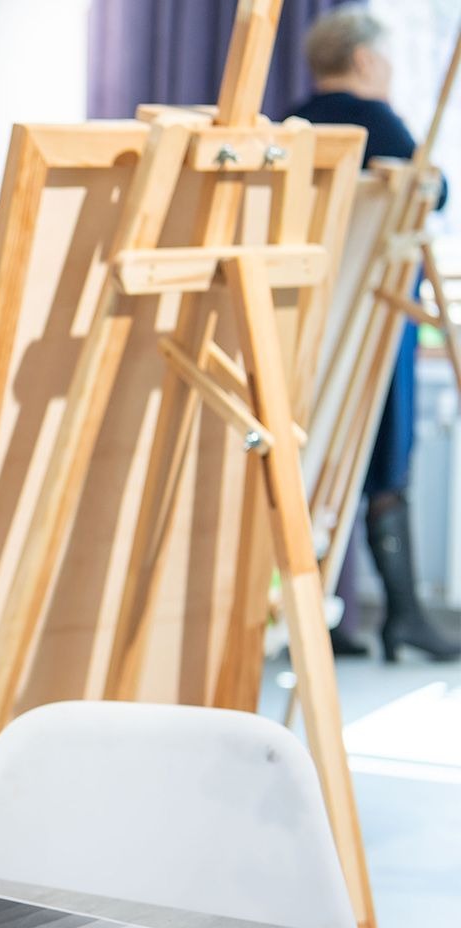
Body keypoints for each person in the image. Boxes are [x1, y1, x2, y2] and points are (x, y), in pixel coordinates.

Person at [289, 4, 458, 662]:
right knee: (384, 462)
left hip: (310, 328)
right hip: (376, 325)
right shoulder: (380, 123)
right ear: (364, 60)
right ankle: (404, 616)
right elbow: (431, 198)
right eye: (385, 59)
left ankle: (315, 611)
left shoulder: (296, 125)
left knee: (310, 467)